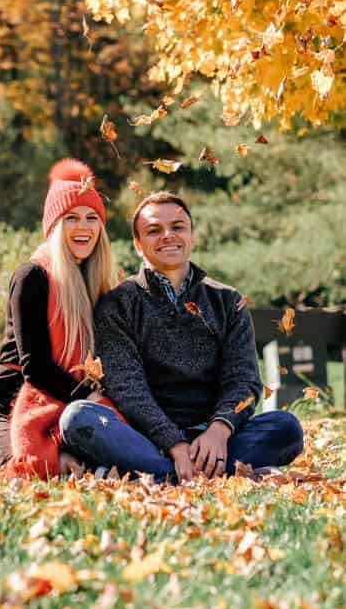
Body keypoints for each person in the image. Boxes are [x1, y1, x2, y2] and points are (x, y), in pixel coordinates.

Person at [59, 191, 304, 482]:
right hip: (145, 437)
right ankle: (201, 473)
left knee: (286, 427)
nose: (167, 235)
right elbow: (127, 386)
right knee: (77, 419)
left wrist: (219, 430)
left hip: (215, 439)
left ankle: (152, 476)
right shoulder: (118, 304)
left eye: (177, 227)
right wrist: (174, 444)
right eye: (153, 230)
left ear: (192, 236)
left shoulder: (227, 301)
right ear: (138, 245)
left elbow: (243, 380)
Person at [0, 158, 124, 478]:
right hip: (5, 398)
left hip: (62, 400)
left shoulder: (98, 285)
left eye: (91, 218)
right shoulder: (32, 276)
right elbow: (36, 366)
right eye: (71, 218)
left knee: (85, 460)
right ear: (55, 226)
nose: (83, 227)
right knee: (20, 470)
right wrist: (91, 398)